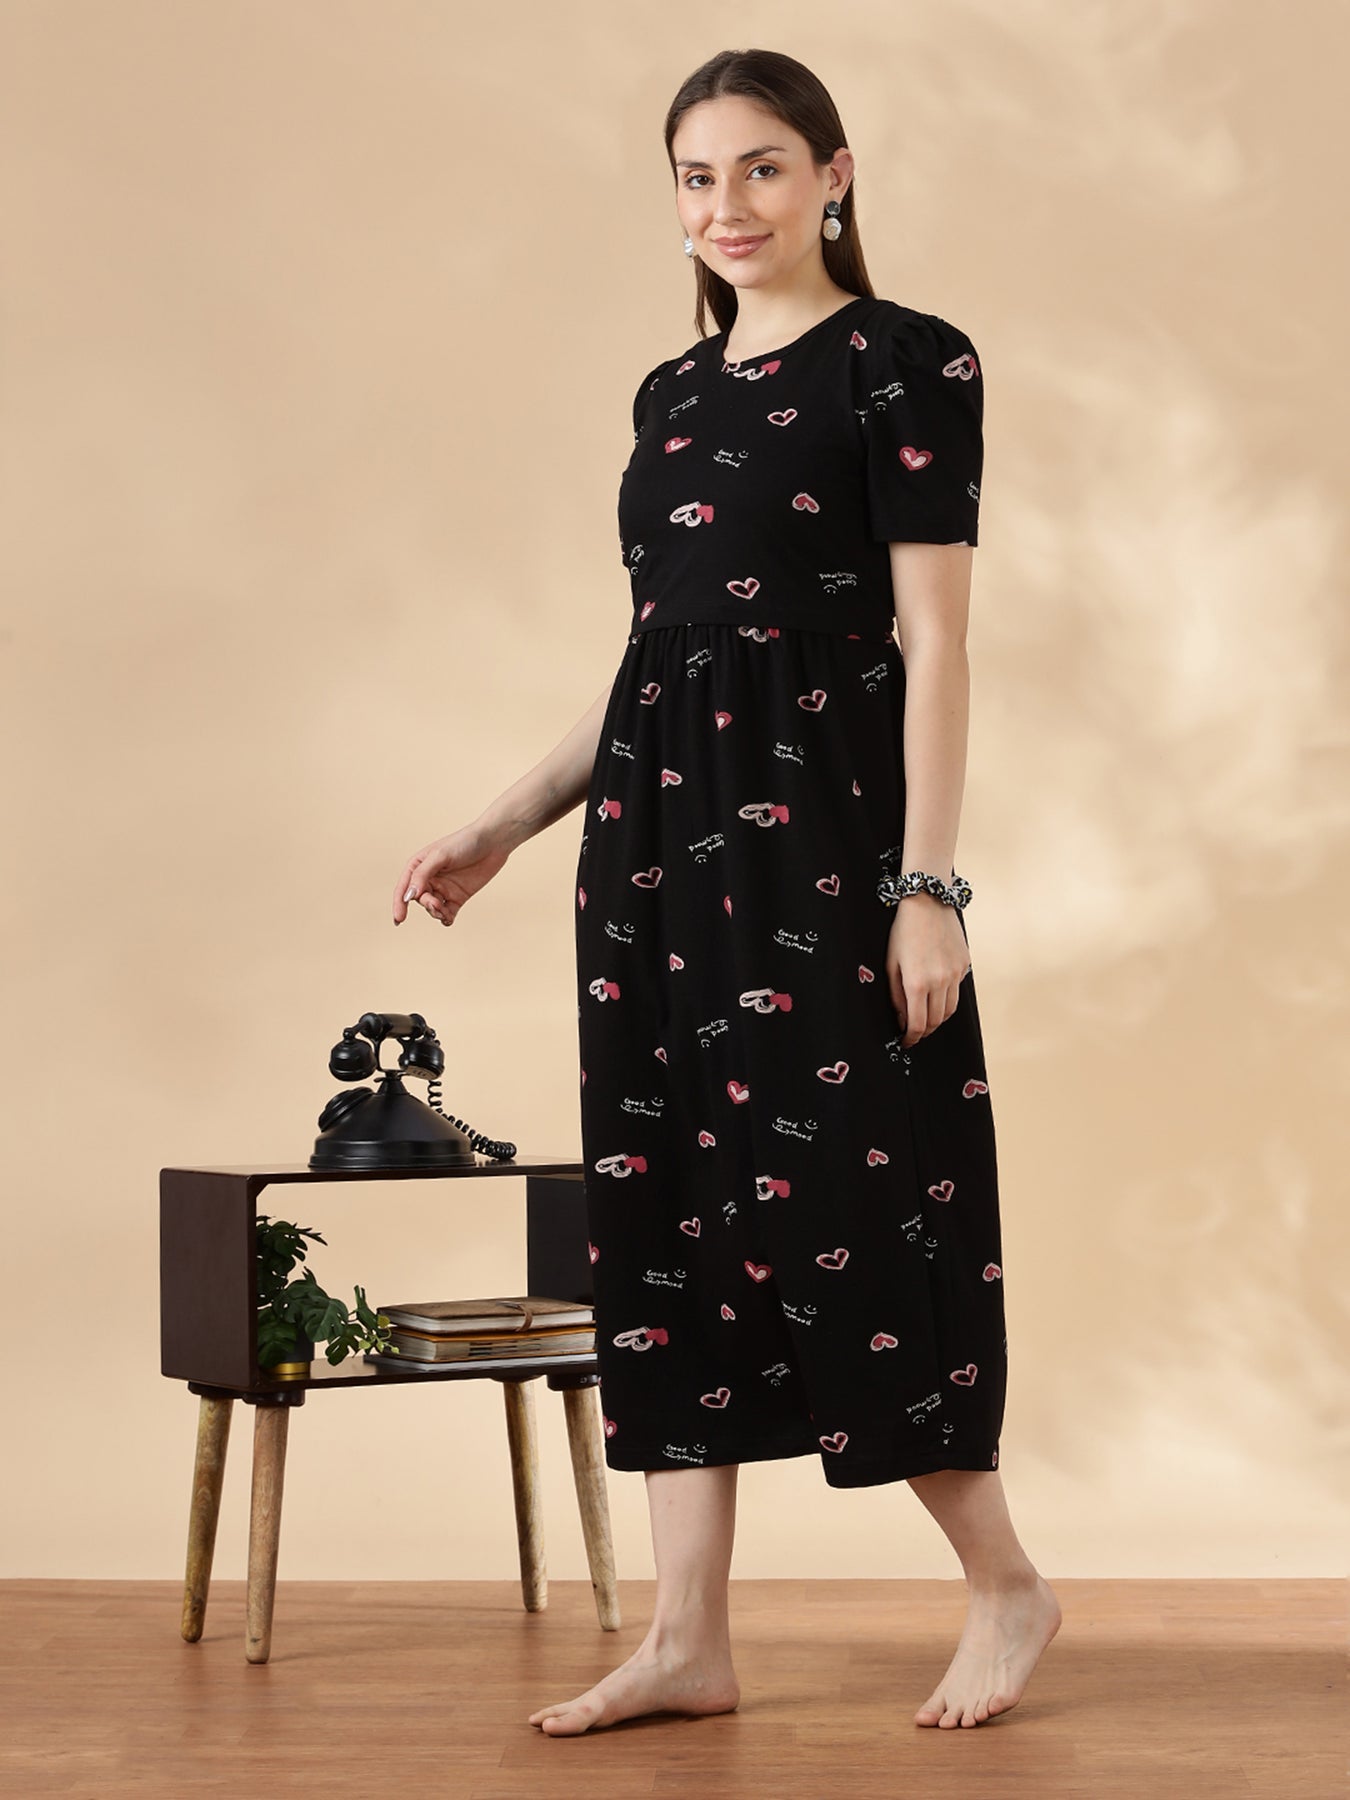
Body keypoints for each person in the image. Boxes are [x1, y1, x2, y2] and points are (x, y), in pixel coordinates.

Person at [391, 47, 1061, 1736]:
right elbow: (660, 653)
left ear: (834, 175)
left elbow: (933, 642)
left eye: (761, 168)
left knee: (843, 1209)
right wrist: (503, 821)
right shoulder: (669, 396)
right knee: (665, 1220)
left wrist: (926, 886)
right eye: (697, 177)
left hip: (818, 852)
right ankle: (686, 1636)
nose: (728, 206)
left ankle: (1005, 1585)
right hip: (646, 862)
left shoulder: (905, 361)